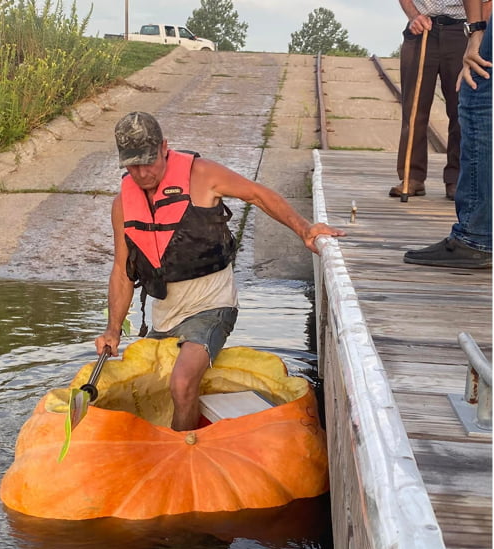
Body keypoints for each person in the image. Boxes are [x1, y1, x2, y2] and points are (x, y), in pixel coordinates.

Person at [95, 111, 345, 432]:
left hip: (211, 306)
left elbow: (258, 194)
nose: (142, 173)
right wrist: (112, 330)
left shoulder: (201, 175)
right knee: (147, 386)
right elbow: (121, 271)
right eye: (133, 165)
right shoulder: (123, 204)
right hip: (164, 315)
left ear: (165, 148)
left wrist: (305, 228)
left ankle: (181, 459)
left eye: (149, 161)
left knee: (182, 382)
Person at [403, 0, 491, 268]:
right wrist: (415, 15)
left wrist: (477, 33)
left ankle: (476, 235)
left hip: (468, 26)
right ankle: (412, 178)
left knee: (471, 108)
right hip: (436, 25)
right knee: (420, 109)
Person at [392, 0, 470, 200]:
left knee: (461, 109)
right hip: (421, 27)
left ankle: (456, 178)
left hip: (462, 30)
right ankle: (412, 177)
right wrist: (413, 16)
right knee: (413, 107)